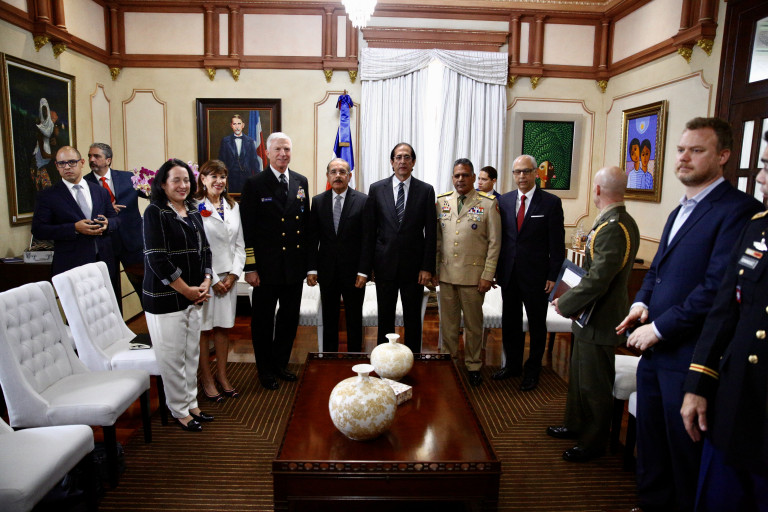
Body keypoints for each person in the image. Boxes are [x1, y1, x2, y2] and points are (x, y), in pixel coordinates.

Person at [616, 117, 763, 511]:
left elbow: (716, 289)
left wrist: (660, 328)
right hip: (655, 352)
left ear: (723, 156)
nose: (683, 158)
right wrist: (640, 303)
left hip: (691, 356)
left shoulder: (739, 211)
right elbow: (658, 272)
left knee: (684, 455)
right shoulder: (679, 209)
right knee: (651, 447)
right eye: (681, 150)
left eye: (696, 150)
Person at [679, 131, 768, 511]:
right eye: (762, 166)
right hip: (734, 397)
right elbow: (725, 311)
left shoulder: (741, 213)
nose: (760, 177)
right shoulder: (758, 227)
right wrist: (698, 384)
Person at [548, 166, 640, 462]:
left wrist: (566, 302)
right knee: (580, 378)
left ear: (598, 189)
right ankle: (575, 424)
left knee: (594, 385)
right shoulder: (614, 221)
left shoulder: (614, 226)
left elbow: (599, 279)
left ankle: (592, 443)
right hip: (589, 317)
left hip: (600, 318)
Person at [142, 158, 214, 432]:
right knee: (172, 358)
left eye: (186, 180)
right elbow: (157, 259)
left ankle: (191, 403)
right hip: (166, 298)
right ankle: (179, 410)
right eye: (176, 180)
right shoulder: (155, 212)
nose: (183, 185)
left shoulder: (193, 209)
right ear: (163, 184)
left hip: (195, 295)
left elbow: (205, 249)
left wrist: (206, 280)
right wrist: (187, 290)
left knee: (191, 354)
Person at [240, 132, 309, 390]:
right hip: (265, 270)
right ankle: (265, 369)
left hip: (293, 267)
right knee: (263, 322)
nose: (283, 154)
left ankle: (281, 364)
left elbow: (305, 224)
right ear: (267, 153)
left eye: (287, 149)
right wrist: (250, 267)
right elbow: (247, 230)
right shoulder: (254, 184)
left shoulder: (301, 181)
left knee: (288, 320)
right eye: (278, 149)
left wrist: (307, 266)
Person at [493, 154, 565, 391]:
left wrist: (553, 276)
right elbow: (500, 239)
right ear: (513, 175)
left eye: (526, 171)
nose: (521, 176)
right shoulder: (504, 201)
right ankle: (512, 365)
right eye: (517, 172)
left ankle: (533, 370)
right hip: (509, 274)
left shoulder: (550, 203)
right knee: (510, 322)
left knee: (536, 324)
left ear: (535, 173)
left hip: (537, 277)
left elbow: (557, 245)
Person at [361, 142, 437, 353]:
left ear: (413, 162)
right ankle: (384, 358)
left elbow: (431, 233)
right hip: (384, 266)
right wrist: (368, 267)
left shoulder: (426, 190)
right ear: (392, 162)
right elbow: (370, 232)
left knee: (413, 318)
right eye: (398, 157)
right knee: (385, 317)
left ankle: (413, 358)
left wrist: (427, 267)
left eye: (407, 157)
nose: (402, 161)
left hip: (414, 269)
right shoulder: (377, 189)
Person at [435, 158, 501, 386]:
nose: (460, 179)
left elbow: (494, 243)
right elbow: (437, 240)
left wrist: (487, 275)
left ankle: (473, 365)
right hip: (446, 275)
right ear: (452, 178)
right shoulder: (442, 201)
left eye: (465, 175)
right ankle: (449, 362)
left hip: (474, 278)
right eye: (457, 175)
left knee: (473, 326)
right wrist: (435, 270)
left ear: (473, 177)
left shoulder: (488, 203)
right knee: (448, 325)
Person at [193, 160, 245, 402]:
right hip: (205, 279)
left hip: (229, 279)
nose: (218, 181)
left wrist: (233, 275)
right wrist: (213, 279)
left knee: (223, 328)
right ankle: (206, 379)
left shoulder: (233, 206)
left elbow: (240, 245)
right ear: (202, 179)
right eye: (213, 176)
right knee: (204, 330)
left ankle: (222, 376)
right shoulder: (193, 206)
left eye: (222, 176)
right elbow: (196, 247)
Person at [31, 146, 118, 283]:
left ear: (82, 163)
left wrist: (108, 224)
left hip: (103, 261)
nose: (67, 167)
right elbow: (38, 229)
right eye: (62, 163)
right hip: (71, 265)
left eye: (72, 162)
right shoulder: (48, 196)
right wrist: (74, 228)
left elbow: (115, 219)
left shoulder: (100, 191)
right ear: (57, 166)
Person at [307, 158, 367, 352]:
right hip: (327, 272)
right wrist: (312, 269)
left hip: (354, 273)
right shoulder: (318, 202)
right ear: (327, 176)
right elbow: (312, 238)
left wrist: (364, 271)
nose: (338, 176)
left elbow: (367, 239)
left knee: (354, 318)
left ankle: (355, 357)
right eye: (333, 172)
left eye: (342, 172)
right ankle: (329, 357)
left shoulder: (363, 201)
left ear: (349, 176)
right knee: (329, 317)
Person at [84, 142, 147, 303]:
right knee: (109, 291)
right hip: (105, 244)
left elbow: (150, 193)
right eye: (90, 156)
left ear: (108, 160)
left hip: (133, 242)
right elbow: (83, 212)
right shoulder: (84, 184)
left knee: (145, 288)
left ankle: (152, 319)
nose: (91, 159)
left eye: (96, 156)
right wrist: (105, 208)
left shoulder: (128, 177)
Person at [218, 114, 261, 194]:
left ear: (243, 125)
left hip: (246, 177)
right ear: (231, 125)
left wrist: (258, 178)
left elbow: (254, 161)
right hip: (230, 177)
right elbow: (221, 161)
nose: (237, 127)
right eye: (234, 124)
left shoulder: (250, 141)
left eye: (239, 123)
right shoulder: (225, 141)